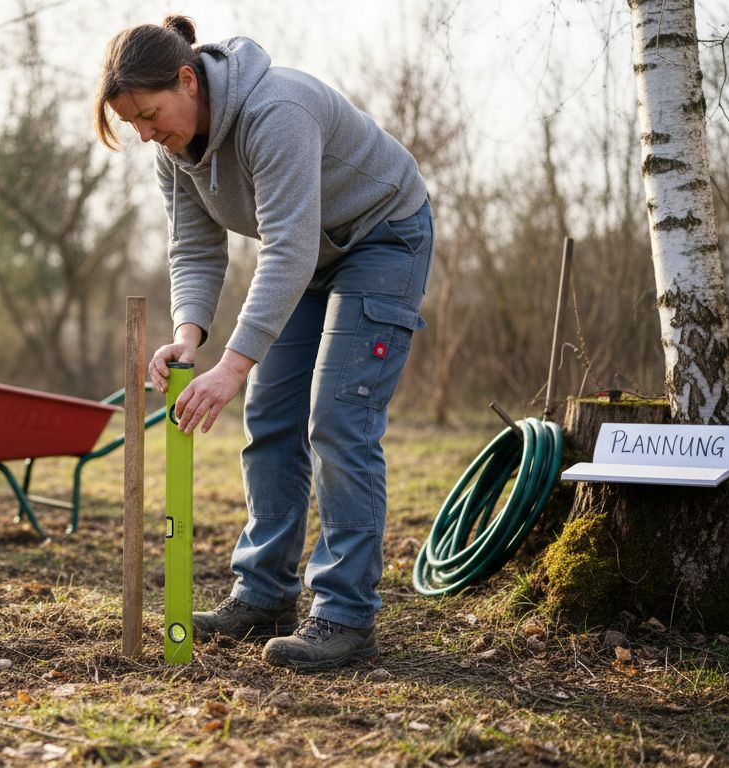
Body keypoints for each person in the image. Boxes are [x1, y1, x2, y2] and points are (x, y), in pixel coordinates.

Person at [94, 15, 432, 670]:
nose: (144, 134)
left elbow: (287, 249)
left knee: (338, 419)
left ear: (187, 81)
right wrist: (190, 339)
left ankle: (344, 615)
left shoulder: (275, 109)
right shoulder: (176, 153)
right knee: (271, 417)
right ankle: (264, 592)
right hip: (309, 260)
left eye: (149, 114)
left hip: (382, 238)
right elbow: (194, 249)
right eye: (131, 123)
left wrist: (235, 364)